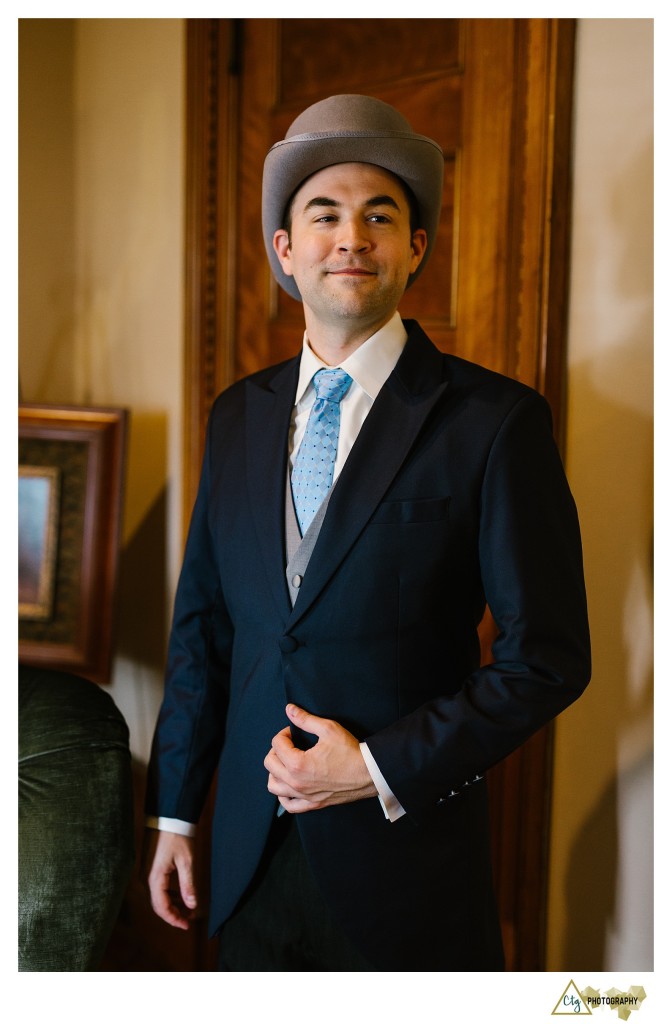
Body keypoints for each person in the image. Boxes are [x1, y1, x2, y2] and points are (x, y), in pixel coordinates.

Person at [144, 94, 590, 971]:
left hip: (406, 874)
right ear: (286, 249)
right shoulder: (236, 416)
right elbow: (204, 628)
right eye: (325, 215)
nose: (352, 237)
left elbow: (546, 659)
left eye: (379, 215)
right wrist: (176, 813)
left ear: (415, 247)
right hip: (244, 864)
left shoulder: (495, 421)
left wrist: (376, 768)